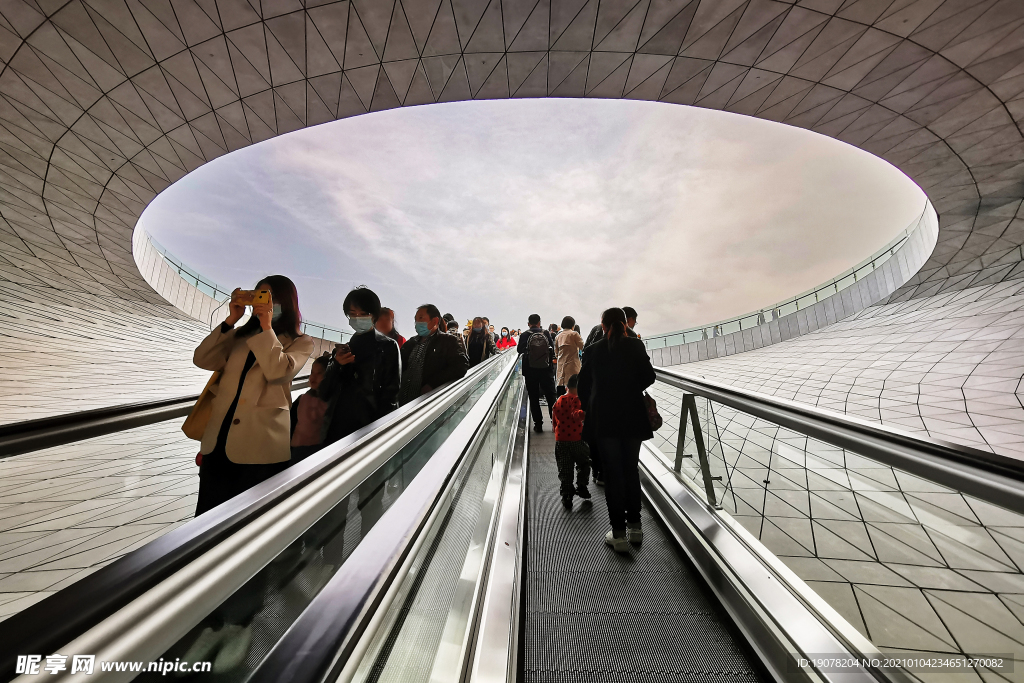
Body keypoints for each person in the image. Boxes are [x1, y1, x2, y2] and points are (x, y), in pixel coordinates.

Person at [193, 275, 314, 517]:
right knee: (206, 518)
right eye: (259, 295)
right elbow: (202, 359)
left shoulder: (301, 342)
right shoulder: (238, 336)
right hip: (219, 439)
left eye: (269, 297)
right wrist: (230, 321)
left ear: (286, 302)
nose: (264, 303)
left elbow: (279, 372)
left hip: (260, 447)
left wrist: (267, 327)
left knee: (244, 522)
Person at [578, 307, 657, 553]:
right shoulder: (635, 346)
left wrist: (596, 398)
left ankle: (619, 534)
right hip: (633, 416)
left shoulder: (592, 351)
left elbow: (583, 387)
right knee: (630, 469)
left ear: (603, 326)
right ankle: (636, 527)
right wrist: (629, 388)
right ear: (625, 324)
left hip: (604, 419)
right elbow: (649, 376)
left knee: (613, 473)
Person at [316, 287, 401, 447]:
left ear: (374, 315)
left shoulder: (387, 346)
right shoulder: (342, 350)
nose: (357, 318)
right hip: (337, 426)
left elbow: (391, 395)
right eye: (352, 314)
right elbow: (324, 391)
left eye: (363, 314)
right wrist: (336, 364)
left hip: (367, 428)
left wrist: (380, 433)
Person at [399, 304, 469, 405]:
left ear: (435, 321)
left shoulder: (448, 341)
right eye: (416, 320)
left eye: (421, 318)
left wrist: (433, 384)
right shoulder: (411, 342)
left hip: (427, 404)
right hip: (403, 403)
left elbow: (461, 366)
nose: (417, 323)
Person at [552, 373, 590, 509]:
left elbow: (554, 415)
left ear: (567, 387)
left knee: (565, 468)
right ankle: (581, 486)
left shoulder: (560, 399)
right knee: (585, 463)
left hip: (561, 441)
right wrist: (586, 413)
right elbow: (575, 414)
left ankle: (567, 495)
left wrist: (555, 429)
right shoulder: (576, 399)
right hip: (577, 440)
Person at [517, 314, 556, 433]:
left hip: (530, 371)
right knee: (550, 397)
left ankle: (538, 424)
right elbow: (552, 349)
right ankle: (555, 423)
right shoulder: (546, 333)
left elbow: (519, 350)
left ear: (528, 323)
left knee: (534, 398)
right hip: (546, 369)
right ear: (539, 323)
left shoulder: (524, 335)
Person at [289, 352, 330, 463]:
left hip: (314, 452)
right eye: (312, 372)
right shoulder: (302, 399)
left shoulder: (329, 404)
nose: (313, 377)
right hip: (294, 449)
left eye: (320, 373)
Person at [554, 316, 584, 398]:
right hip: (573, 367)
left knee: (561, 394)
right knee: (574, 392)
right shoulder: (575, 334)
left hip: (561, 368)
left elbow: (556, 353)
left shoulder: (558, 336)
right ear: (572, 325)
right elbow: (583, 347)